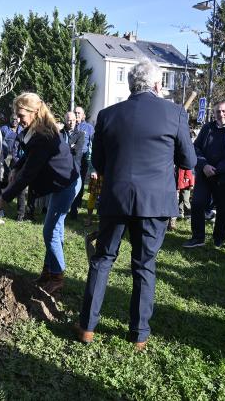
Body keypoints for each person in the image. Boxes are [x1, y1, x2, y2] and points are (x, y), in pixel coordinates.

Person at [77, 58, 196, 350]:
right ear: (156, 84)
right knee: (144, 265)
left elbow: (99, 162)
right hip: (154, 202)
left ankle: (87, 327)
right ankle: (139, 334)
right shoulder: (175, 113)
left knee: (103, 260)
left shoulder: (107, 114)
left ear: (131, 85)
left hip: (116, 197)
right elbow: (188, 160)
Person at [0, 92, 78, 294]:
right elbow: (28, 155)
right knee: (54, 230)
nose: (18, 120)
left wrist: (3, 199)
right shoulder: (35, 130)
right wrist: (15, 167)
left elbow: (28, 176)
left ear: (35, 112)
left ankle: (57, 277)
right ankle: (49, 272)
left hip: (66, 184)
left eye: (21, 115)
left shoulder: (44, 135)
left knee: (50, 231)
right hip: (58, 183)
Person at [183, 101, 225, 248]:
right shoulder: (207, 128)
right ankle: (198, 237)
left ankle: (219, 238)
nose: (221, 114)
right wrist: (204, 165)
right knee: (198, 204)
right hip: (205, 174)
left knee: (222, 208)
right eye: (218, 111)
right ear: (214, 113)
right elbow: (196, 148)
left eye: (224, 111)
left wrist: (218, 169)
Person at [69, 106, 94, 219]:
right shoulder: (70, 125)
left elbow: (93, 141)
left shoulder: (89, 127)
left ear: (83, 115)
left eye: (79, 113)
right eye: (75, 112)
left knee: (80, 181)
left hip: (83, 158)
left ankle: (77, 204)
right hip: (71, 157)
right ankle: (71, 204)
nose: (77, 114)